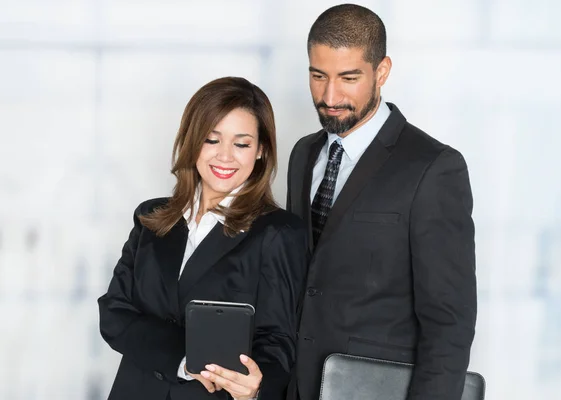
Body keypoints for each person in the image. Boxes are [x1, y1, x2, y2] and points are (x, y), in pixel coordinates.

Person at [286, 4, 477, 400]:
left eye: (348, 78)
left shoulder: (434, 169)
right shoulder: (303, 154)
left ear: (382, 71)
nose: (329, 95)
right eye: (317, 75)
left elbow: (449, 324)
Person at [98, 77, 308, 400]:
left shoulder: (278, 233)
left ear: (261, 150)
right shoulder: (151, 218)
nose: (225, 157)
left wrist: (256, 388)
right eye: (212, 139)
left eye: (242, 144)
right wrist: (183, 360)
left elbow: (278, 343)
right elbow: (113, 313)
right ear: (192, 141)